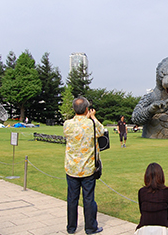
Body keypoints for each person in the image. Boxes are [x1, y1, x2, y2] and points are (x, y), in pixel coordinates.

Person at [64, 96, 104, 234]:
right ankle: (90, 227)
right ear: (87, 109)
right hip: (88, 168)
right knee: (88, 199)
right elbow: (102, 131)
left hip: (72, 168)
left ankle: (71, 227)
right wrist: (92, 117)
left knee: (72, 199)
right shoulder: (91, 124)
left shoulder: (67, 124)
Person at [135, 163, 168, 235]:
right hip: (163, 229)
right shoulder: (166, 191)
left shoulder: (142, 191)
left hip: (144, 228)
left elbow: (142, 211)